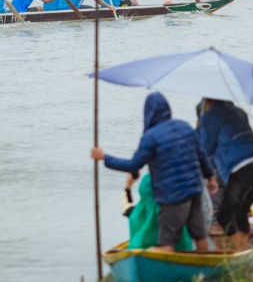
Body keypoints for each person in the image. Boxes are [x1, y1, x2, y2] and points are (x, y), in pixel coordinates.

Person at [91, 92, 218, 253]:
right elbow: (201, 155)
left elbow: (133, 165)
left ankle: (162, 271)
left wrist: (104, 157)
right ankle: (204, 272)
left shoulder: (150, 137)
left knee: (167, 242)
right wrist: (211, 178)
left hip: (173, 196)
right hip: (194, 191)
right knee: (200, 237)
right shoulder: (184, 127)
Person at [199, 98, 253, 252]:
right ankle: (242, 250)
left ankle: (236, 253)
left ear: (208, 103)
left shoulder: (211, 117)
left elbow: (206, 151)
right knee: (240, 213)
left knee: (226, 215)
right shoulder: (239, 112)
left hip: (240, 170)